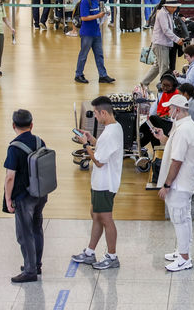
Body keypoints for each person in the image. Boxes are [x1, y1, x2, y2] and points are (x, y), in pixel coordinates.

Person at [151, 93, 194, 272]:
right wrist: (163, 138)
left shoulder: (183, 130)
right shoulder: (184, 126)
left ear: (178, 110)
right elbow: (175, 147)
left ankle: (184, 258)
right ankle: (182, 251)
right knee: (184, 218)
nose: (168, 111)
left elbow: (177, 160)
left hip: (179, 184)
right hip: (184, 182)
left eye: (171, 108)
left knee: (179, 219)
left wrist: (166, 185)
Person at [72, 96, 123, 270]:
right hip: (100, 182)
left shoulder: (110, 133)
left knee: (105, 219)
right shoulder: (114, 128)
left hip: (105, 183)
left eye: (95, 113)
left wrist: (86, 145)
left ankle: (112, 256)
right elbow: (102, 148)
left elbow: (99, 161)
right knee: (95, 214)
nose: (95, 117)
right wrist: (92, 139)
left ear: (103, 112)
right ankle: (89, 252)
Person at [3, 109, 47, 282]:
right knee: (37, 228)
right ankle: (36, 264)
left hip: (23, 197)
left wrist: (8, 198)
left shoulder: (14, 148)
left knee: (24, 233)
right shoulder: (39, 141)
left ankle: (30, 271)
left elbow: (10, 177)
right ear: (32, 125)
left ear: (13, 125)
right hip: (40, 193)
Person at [75, 0, 115, 84]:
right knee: (83, 54)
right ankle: (78, 74)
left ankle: (103, 75)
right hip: (87, 33)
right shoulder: (85, 1)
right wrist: (98, 16)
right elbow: (84, 18)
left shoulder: (95, 1)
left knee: (99, 54)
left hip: (96, 32)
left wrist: (104, 14)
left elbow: (97, 13)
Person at [141, 0, 185, 87]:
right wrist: (177, 40)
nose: (175, 9)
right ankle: (164, 88)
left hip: (163, 43)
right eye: (173, 7)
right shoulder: (162, 14)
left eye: (175, 7)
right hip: (160, 44)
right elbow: (166, 30)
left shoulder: (169, 13)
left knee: (157, 66)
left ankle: (144, 83)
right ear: (167, 6)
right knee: (163, 68)